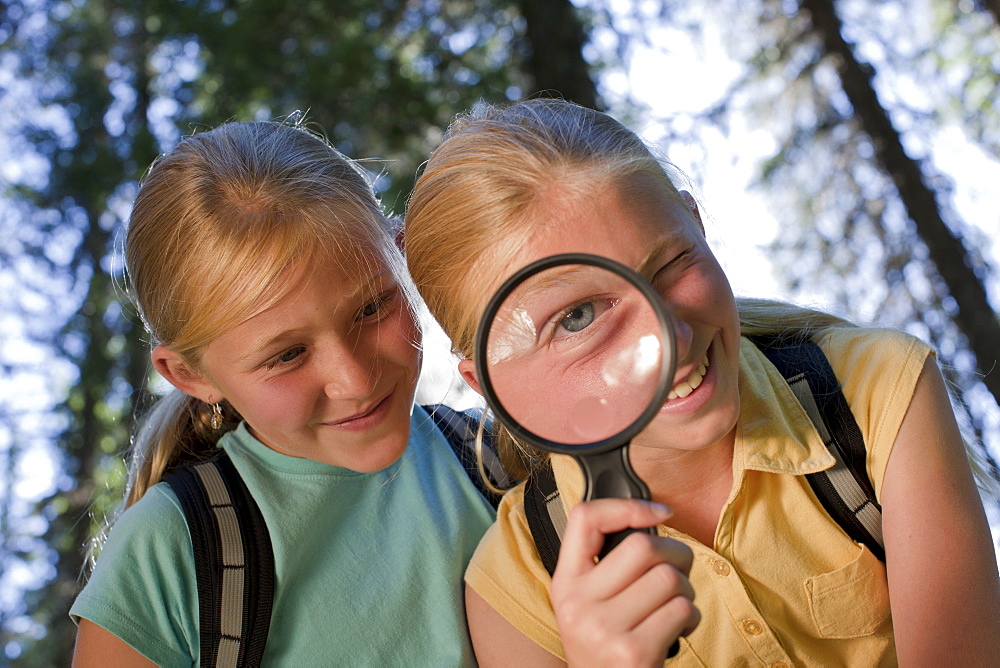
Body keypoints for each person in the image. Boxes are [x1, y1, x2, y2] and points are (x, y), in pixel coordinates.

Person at [403, 98, 1000, 666]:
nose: (672, 341)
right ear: (489, 386)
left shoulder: (871, 394)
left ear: (696, 224)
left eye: (670, 265)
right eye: (578, 318)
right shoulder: (520, 584)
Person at [70, 119, 496, 666]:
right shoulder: (171, 552)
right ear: (191, 376)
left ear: (400, 256)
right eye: (287, 356)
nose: (356, 380)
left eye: (372, 308)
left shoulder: (501, 463)